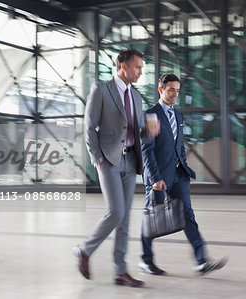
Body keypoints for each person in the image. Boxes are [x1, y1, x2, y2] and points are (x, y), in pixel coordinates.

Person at [73, 49, 159, 287]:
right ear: (123, 65)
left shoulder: (137, 97)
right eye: (138, 67)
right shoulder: (101, 89)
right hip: (108, 160)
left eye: (142, 67)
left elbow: (139, 132)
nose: (141, 71)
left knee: (124, 220)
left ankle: (121, 271)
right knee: (116, 212)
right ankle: (84, 250)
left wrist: (149, 133)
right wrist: (96, 157)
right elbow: (89, 127)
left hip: (131, 161)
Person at [139, 74, 227, 276]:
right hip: (158, 178)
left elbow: (178, 145)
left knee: (188, 215)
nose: (175, 94)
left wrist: (184, 166)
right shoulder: (150, 116)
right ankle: (146, 260)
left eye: (178, 90)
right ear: (161, 90)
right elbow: (147, 150)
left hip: (178, 174)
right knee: (152, 218)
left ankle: (201, 260)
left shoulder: (178, 116)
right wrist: (155, 178)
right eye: (171, 90)